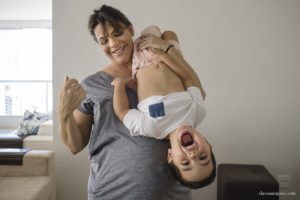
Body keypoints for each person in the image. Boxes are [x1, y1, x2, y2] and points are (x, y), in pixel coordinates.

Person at [58, 4, 193, 200]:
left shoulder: (164, 67)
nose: (113, 44)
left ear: (130, 30)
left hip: (171, 193)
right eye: (104, 40)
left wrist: (167, 49)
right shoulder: (92, 85)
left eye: (118, 33)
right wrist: (63, 111)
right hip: (110, 193)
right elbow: (74, 145)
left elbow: (196, 91)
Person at [111, 25, 216, 189]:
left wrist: (118, 86)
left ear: (170, 156)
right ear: (207, 144)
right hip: (173, 60)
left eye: (186, 163)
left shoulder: (152, 127)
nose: (193, 155)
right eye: (203, 157)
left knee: (151, 30)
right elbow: (188, 79)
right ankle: (165, 39)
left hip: (144, 60)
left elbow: (123, 112)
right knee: (170, 33)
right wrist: (165, 56)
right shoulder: (198, 111)